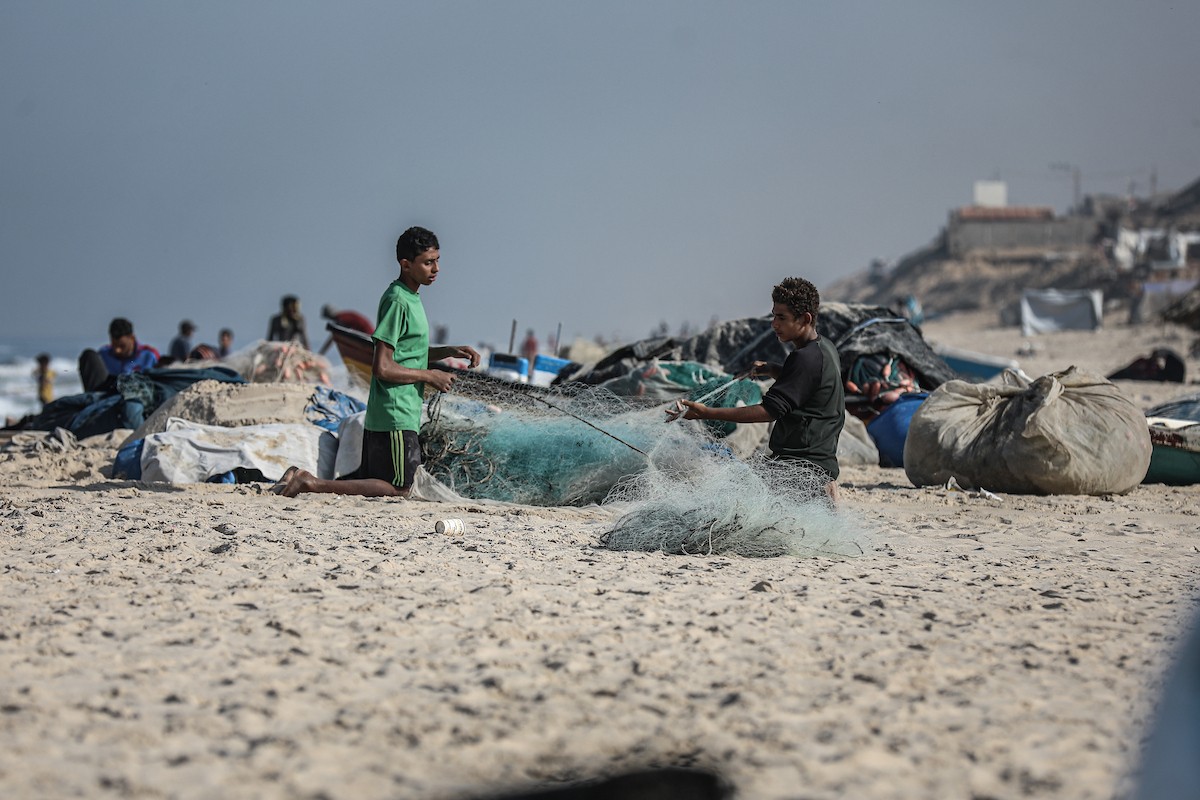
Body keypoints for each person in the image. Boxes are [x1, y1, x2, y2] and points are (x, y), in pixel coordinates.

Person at [273, 225, 480, 498]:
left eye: (437, 260)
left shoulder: (411, 297)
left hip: (392, 412)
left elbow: (408, 351)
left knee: (378, 482)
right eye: (428, 262)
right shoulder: (398, 300)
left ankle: (296, 476)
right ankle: (310, 483)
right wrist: (430, 376)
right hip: (396, 412)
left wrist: (449, 351)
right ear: (406, 264)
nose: (436, 268)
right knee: (401, 488)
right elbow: (382, 366)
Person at [667, 277, 845, 502]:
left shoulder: (804, 358)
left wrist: (706, 412)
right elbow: (807, 384)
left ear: (805, 319)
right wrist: (772, 369)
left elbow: (768, 411)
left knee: (721, 495)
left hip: (801, 471)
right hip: (820, 468)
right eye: (773, 316)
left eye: (782, 317)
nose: (774, 324)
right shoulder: (824, 348)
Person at [78, 317, 160, 393]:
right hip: (105, 396)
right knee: (89, 355)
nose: (117, 350)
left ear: (132, 338)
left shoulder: (149, 356)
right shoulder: (103, 354)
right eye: (114, 345)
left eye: (122, 346)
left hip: (137, 396)